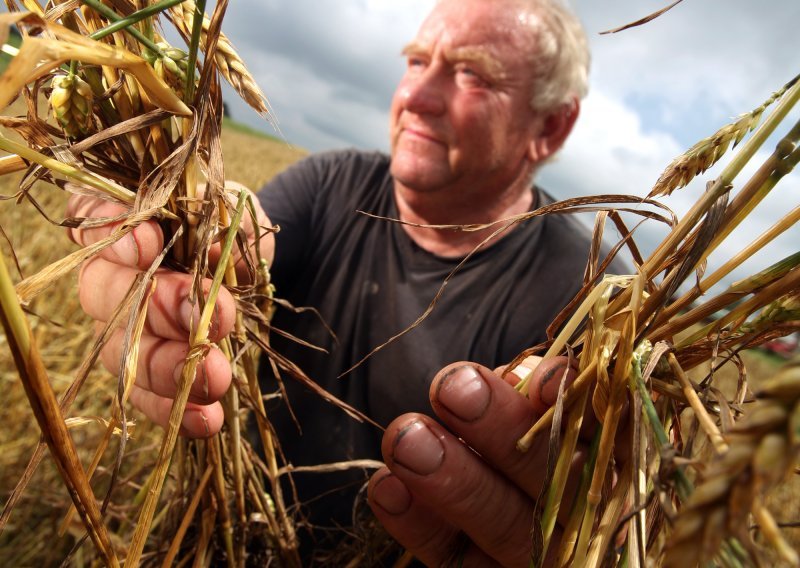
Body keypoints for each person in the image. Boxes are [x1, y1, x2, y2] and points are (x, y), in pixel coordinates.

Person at [71, 0, 613, 564]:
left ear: (550, 126)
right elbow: (249, 237)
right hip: (242, 539)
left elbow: (598, 496)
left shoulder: (587, 295)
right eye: (417, 62)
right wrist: (188, 230)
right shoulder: (332, 182)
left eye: (473, 74)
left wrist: (590, 534)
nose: (415, 98)